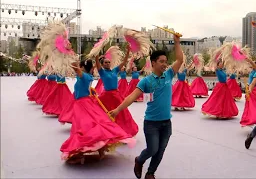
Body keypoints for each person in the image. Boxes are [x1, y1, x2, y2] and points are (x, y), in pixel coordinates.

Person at [109, 35, 183, 179]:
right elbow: (131, 97)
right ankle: (139, 160)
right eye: (161, 62)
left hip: (166, 123)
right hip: (151, 124)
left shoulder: (168, 75)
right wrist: (118, 109)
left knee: (160, 151)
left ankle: (150, 173)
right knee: (153, 149)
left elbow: (180, 60)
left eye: (165, 62)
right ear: (153, 63)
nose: (164, 64)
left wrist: (177, 42)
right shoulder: (146, 81)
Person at [60, 60, 135, 164]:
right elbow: (80, 72)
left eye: (80, 67)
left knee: (82, 128)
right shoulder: (86, 77)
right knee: (91, 126)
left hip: (82, 105)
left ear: (82, 68)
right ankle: (100, 150)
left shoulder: (84, 77)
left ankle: (81, 154)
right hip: (84, 103)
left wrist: (67, 59)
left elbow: (76, 70)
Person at [96, 45, 138, 137]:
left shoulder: (115, 70)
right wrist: (96, 53)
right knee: (104, 114)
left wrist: (127, 52)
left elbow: (123, 62)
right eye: (105, 62)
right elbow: (97, 63)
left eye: (108, 62)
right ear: (102, 64)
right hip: (106, 96)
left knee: (122, 113)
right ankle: (108, 131)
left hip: (116, 95)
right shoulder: (102, 72)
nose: (107, 63)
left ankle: (122, 130)